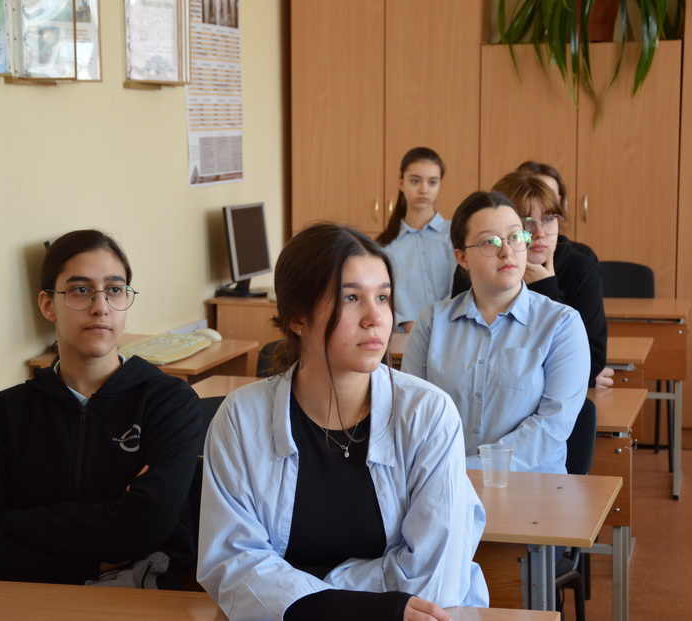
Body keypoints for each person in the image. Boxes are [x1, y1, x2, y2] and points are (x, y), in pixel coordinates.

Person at [198, 222, 488, 621]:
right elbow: (232, 565)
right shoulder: (239, 418)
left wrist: (303, 589)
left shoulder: (428, 414)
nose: (375, 318)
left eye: (382, 297)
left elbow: (434, 582)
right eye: (350, 298)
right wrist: (362, 605)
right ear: (298, 318)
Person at [0, 229, 201, 589]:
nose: (101, 307)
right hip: (28, 600)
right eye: (81, 290)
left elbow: (146, 526)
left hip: (139, 597)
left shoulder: (168, 401)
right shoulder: (7, 412)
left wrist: (15, 523)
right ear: (47, 305)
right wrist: (90, 564)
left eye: (114, 290)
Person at [403, 192, 589, 473]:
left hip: (532, 486)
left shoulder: (561, 323)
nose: (507, 251)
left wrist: (470, 470)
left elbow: (552, 425)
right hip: (444, 480)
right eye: (490, 241)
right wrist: (444, 474)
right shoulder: (432, 322)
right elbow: (413, 411)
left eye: (515, 237)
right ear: (462, 258)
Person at [452, 163, 613, 388]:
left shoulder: (581, 269)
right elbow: (460, 354)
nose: (540, 233)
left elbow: (590, 364)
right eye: (526, 222)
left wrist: (546, 288)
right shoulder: (478, 266)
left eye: (549, 219)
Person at [377, 147, 457, 333]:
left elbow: (465, 286)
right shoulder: (384, 246)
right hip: (403, 339)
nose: (423, 189)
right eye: (415, 181)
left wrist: (439, 321)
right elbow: (379, 296)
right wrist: (404, 323)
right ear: (401, 183)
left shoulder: (456, 234)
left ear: (439, 184)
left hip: (452, 333)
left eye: (432, 182)